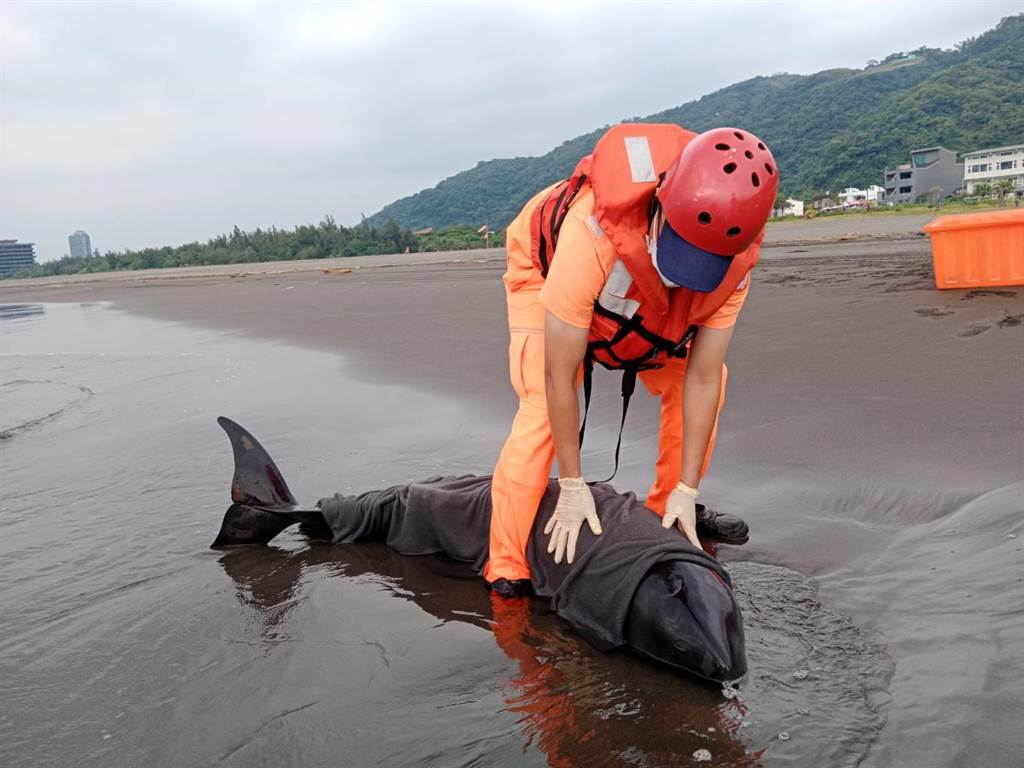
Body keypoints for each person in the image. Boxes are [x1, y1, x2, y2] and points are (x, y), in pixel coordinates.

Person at [486, 123, 778, 597]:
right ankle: (507, 561)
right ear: (660, 202)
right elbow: (559, 375)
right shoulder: (590, 236)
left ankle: (669, 513)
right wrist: (572, 484)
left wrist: (687, 488)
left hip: (642, 306)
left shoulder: (735, 266)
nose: (685, 272)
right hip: (545, 270)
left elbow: (703, 379)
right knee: (541, 407)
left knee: (701, 381)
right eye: (681, 249)